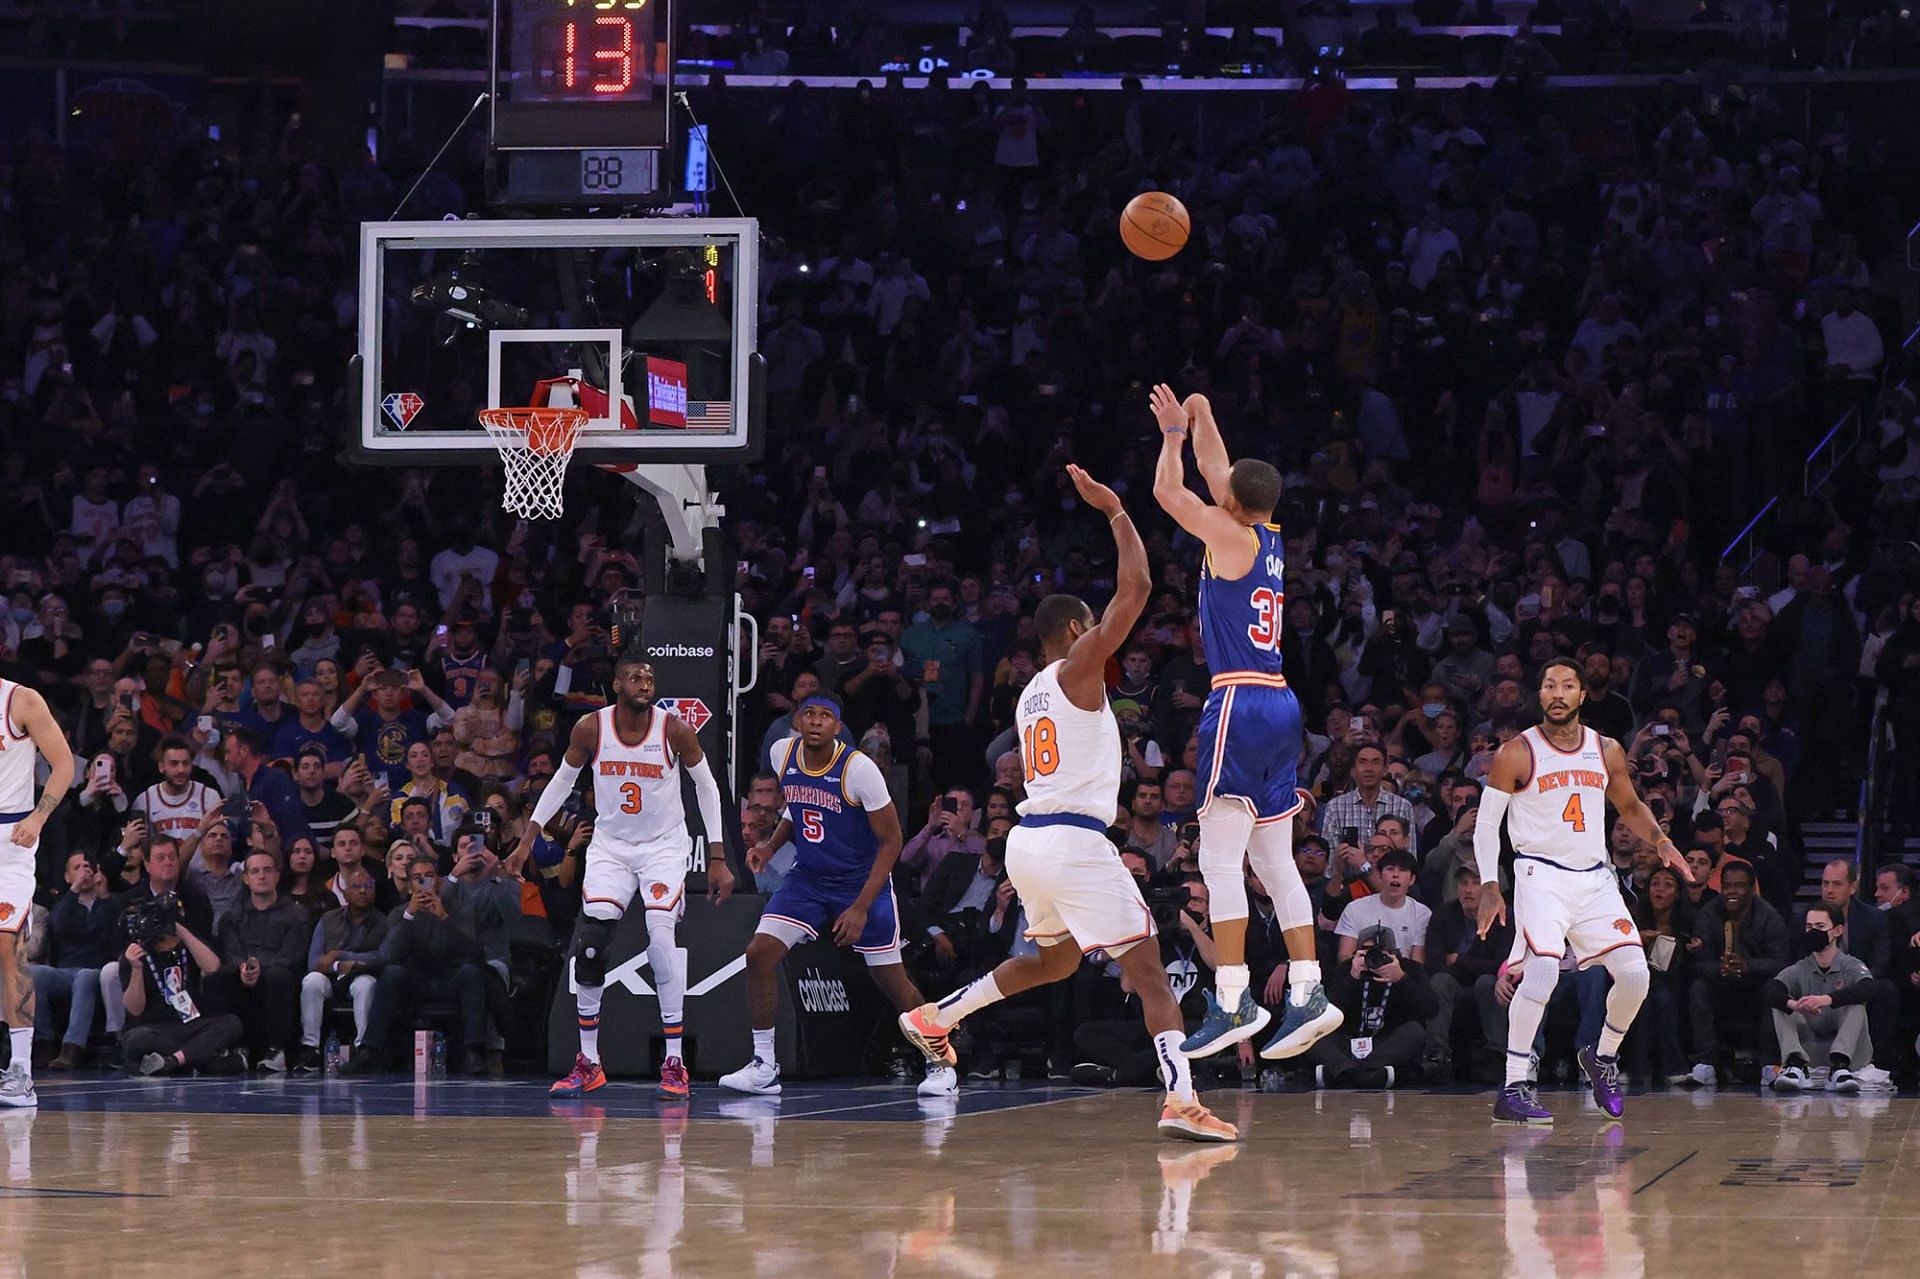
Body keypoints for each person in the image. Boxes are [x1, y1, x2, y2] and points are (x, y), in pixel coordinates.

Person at [898, 462, 1235, 1142]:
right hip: (1075, 843)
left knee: (1051, 961)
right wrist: (1115, 510)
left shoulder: (1029, 694)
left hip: (1032, 844)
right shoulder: (1081, 667)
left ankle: (937, 1015)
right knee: (1149, 972)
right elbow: (1137, 587)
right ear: (1080, 627)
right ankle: (1180, 1098)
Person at [1149, 387, 1335, 1065]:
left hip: (1238, 700)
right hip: (1281, 701)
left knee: (1217, 859)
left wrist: (1172, 433)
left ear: (1230, 501)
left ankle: (1233, 996)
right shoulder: (1265, 533)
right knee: (1273, 859)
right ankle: (1309, 988)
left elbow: (1171, 491)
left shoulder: (1225, 533)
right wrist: (1202, 406)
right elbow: (1218, 469)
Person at [507, 653, 735, 1101]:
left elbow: (708, 787)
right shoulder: (591, 728)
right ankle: (588, 1063)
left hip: (663, 846)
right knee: (589, 945)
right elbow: (559, 783)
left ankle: (674, 1062)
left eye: (649, 677)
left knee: (660, 939)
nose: (644, 683)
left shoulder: (673, 729)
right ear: (616, 685)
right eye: (634, 677)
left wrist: (717, 854)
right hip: (612, 845)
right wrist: (526, 840)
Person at [1474, 658, 1692, 1125]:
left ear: (1582, 695)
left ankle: (1603, 1057)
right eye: (1549, 685)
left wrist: (1661, 840)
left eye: (1567, 685)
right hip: (1539, 873)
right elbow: (1487, 825)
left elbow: (1630, 806)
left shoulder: (1606, 749)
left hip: (1594, 876)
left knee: (1636, 975)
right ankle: (1514, 1085)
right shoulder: (1516, 751)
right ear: (1541, 694)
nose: (1557, 693)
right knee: (1544, 969)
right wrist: (1492, 884)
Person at [718, 694, 955, 1097]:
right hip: (808, 879)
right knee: (759, 954)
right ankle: (763, 1065)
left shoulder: (859, 770)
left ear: (838, 727)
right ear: (797, 720)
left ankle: (939, 1060)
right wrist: (770, 848)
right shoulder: (782, 753)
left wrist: (861, 907)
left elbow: (892, 840)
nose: (815, 721)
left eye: (825, 716)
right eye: (809, 713)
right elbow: (797, 806)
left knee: (890, 978)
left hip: (861, 882)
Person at [0, 676, 78, 1107]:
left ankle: (22, 1073)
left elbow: (64, 764)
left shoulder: (21, 699)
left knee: (8, 947)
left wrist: (39, 818)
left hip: (10, 837)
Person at [1766, 902, 1873, 1093]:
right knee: (1781, 1004)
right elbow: (1771, 989)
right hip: (1812, 1048)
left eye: (1820, 927)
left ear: (1838, 930)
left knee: (1856, 1003)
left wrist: (1827, 999)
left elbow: (1868, 988)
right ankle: (1795, 1064)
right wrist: (1793, 1004)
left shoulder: (1852, 965)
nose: (1813, 932)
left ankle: (1840, 1066)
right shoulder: (1801, 967)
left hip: (1852, 1052)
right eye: (1809, 927)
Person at [295, 864, 388, 1072]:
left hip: (360, 977)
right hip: (331, 978)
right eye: (357, 886)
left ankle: (363, 1049)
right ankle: (310, 1049)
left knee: (366, 984)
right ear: (345, 893)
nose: (363, 891)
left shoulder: (384, 923)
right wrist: (339, 966)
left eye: (368, 886)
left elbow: (381, 958)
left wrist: (341, 956)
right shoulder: (328, 920)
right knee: (311, 981)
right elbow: (314, 963)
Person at [29, 852, 116, 1070]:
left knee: (85, 977)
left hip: (97, 970)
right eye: (77, 868)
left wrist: (103, 895)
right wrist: (74, 890)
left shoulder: (109, 903)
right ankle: (44, 1041)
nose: (83, 872)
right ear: (68, 877)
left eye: (87, 867)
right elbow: (58, 924)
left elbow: (112, 932)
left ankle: (72, 1047)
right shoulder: (64, 904)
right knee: (35, 973)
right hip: (67, 971)